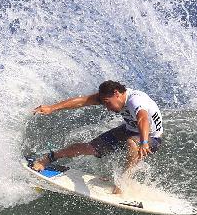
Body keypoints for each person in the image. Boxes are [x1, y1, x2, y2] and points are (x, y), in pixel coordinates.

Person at [30, 80, 163, 194]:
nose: (107, 107)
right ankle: (48, 158)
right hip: (128, 129)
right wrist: (52, 108)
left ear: (117, 93)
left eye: (107, 103)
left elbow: (143, 119)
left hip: (151, 137)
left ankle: (124, 182)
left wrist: (144, 142)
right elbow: (82, 101)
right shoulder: (110, 96)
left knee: (132, 143)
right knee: (90, 148)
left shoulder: (135, 100)